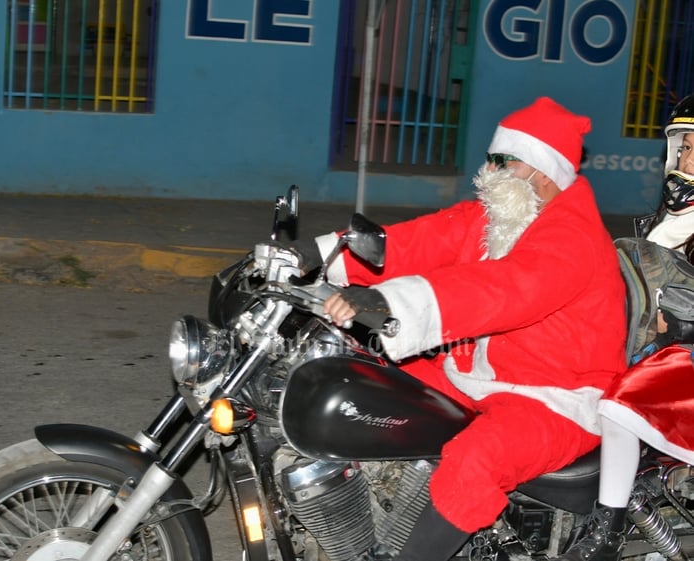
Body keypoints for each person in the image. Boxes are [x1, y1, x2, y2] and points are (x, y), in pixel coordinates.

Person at [294, 96, 628, 561]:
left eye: (502, 162)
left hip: (555, 399)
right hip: (478, 377)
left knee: (475, 462)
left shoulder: (573, 238)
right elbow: (418, 242)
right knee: (368, 384)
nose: (489, 172)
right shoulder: (502, 218)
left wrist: (389, 299)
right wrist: (319, 257)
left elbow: (502, 290)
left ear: (542, 170)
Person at [551, 94, 694, 561]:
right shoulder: (669, 221)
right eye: (686, 147)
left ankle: (607, 530)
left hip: (684, 355)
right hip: (657, 347)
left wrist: (673, 317)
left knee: (621, 403)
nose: (689, 159)